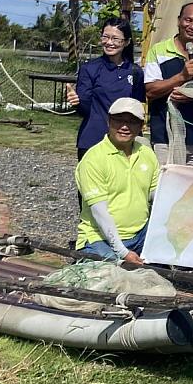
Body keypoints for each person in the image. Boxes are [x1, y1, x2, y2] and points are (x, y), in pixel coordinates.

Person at [75, 98, 160, 265]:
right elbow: (100, 213)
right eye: (119, 120)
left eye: (132, 121)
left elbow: (156, 195)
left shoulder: (147, 154)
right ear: (109, 121)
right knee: (115, 279)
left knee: (162, 271)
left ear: (142, 125)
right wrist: (123, 252)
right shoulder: (93, 159)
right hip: (100, 238)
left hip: (141, 233)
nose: (124, 126)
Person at [144, 2, 193, 168]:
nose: (192, 26)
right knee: (167, 189)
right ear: (179, 21)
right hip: (165, 140)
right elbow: (150, 91)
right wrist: (181, 77)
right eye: (188, 20)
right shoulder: (158, 51)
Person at [66, 18, 144, 161]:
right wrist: (77, 102)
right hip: (93, 140)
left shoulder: (135, 72)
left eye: (115, 38)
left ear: (126, 42)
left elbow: (137, 109)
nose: (109, 42)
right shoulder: (90, 69)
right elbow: (85, 110)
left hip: (125, 142)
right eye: (105, 37)